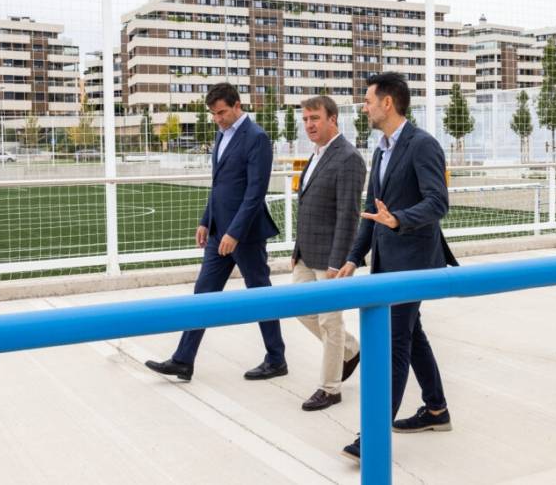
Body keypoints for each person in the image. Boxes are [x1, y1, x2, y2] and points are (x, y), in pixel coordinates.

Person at [337, 73, 459, 462]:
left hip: (413, 263)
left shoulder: (422, 145)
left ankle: (372, 436)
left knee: (396, 342)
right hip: (388, 262)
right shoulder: (381, 150)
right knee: (412, 333)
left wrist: (399, 219)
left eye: (369, 100)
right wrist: (354, 257)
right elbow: (374, 213)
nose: (365, 106)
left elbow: (438, 202)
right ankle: (436, 409)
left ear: (387, 103)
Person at [145, 82, 287, 381]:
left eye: (222, 112)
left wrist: (234, 232)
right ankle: (183, 360)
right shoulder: (221, 135)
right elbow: (218, 185)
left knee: (259, 295)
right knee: (203, 295)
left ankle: (276, 358)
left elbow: (254, 193)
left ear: (238, 106)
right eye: (213, 114)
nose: (218, 118)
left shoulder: (257, 138)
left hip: (245, 235)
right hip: (217, 233)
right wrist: (205, 220)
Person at [291, 96, 365, 411]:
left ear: (333, 119)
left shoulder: (348, 158)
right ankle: (350, 349)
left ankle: (330, 388)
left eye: (315, 118)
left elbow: (348, 216)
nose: (309, 125)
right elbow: (308, 206)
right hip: (307, 254)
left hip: (330, 259)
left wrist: (338, 262)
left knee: (330, 322)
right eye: (306, 119)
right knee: (299, 308)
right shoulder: (317, 155)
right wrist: (297, 250)